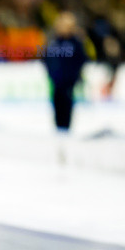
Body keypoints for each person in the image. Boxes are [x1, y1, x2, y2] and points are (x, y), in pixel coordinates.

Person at [43, 12, 87, 162]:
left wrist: (75, 77)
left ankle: (66, 147)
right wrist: (51, 74)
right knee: (57, 113)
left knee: (66, 115)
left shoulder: (76, 42)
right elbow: (47, 59)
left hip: (69, 84)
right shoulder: (54, 42)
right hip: (56, 84)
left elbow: (82, 60)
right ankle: (58, 147)